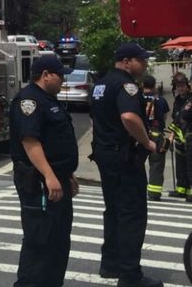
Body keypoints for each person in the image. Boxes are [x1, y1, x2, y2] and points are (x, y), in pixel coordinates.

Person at [91, 42, 163, 287]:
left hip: (105, 156)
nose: (144, 65)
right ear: (126, 62)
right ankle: (130, 275)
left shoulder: (101, 84)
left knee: (113, 211)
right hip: (124, 159)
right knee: (132, 215)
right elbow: (129, 116)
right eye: (141, 60)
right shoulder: (126, 85)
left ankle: (110, 263)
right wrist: (148, 142)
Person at [9, 54, 79, 287]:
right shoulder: (29, 100)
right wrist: (49, 175)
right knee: (40, 240)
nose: (63, 81)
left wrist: (66, 174)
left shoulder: (48, 100)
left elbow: (54, 143)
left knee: (58, 241)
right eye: (60, 76)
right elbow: (30, 141)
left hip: (56, 179)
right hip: (38, 182)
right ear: (46, 75)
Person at [142, 76, 170, 201]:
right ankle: (154, 193)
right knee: (157, 165)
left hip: (140, 134)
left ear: (143, 85)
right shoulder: (161, 100)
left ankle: (135, 190)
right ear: (154, 86)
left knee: (136, 163)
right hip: (156, 135)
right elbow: (164, 117)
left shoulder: (137, 98)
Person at [170, 75, 192, 199]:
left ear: (187, 86)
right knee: (180, 164)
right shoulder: (177, 100)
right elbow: (176, 118)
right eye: (178, 86)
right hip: (180, 136)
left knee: (190, 164)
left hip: (190, 135)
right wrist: (171, 137)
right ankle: (181, 189)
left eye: (182, 86)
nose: (180, 88)